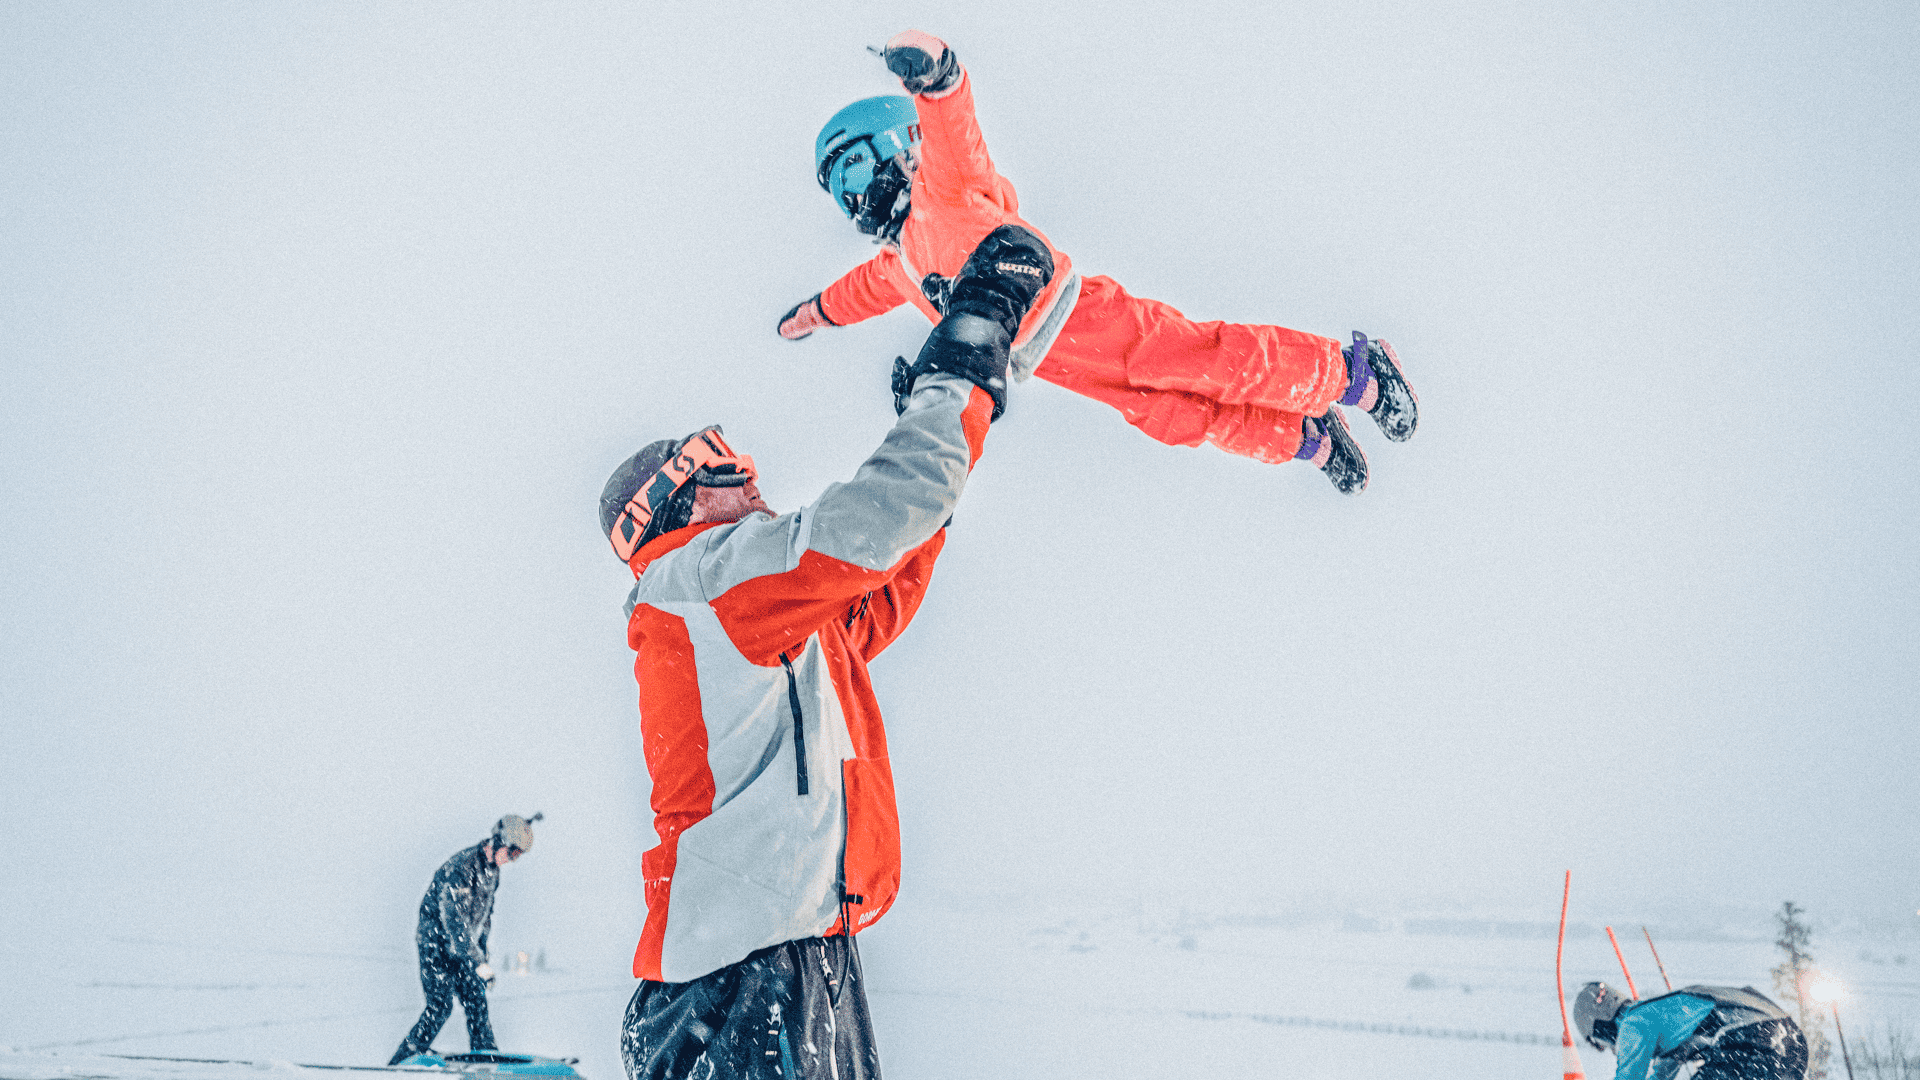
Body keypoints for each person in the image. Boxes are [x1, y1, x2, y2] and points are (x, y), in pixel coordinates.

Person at [602, 227, 1053, 1079]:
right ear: (673, 509)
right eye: (719, 462)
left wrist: (954, 422)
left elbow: (880, 574)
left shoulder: (757, 617)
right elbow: (876, 518)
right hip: (745, 968)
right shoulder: (698, 577)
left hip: (779, 953)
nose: (750, 471)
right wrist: (965, 354)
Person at [777, 29, 1419, 495]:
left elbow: (956, 132)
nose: (852, 197)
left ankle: (1352, 373)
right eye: (838, 190)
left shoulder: (942, 188)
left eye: (854, 169)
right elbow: (855, 294)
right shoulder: (894, 264)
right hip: (1049, 361)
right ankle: (1307, 436)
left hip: (1079, 312)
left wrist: (938, 79)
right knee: (1172, 418)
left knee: (1203, 358)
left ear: (898, 144)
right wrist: (813, 315)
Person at [388, 813, 541, 1065]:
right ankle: (400, 1064)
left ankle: (487, 1061)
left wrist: (483, 957)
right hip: (435, 944)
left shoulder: (492, 872)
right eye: (513, 854)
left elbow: (484, 918)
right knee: (440, 1007)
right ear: (500, 841)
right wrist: (477, 962)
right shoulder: (462, 867)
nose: (513, 861)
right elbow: (454, 922)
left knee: (477, 1001)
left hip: (462, 949)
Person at [1573, 981, 1810, 1080]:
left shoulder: (1633, 1024)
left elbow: (1629, 1077)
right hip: (1788, 1041)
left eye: (1601, 1044)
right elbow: (1664, 1071)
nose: (1613, 1051)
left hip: (1752, 1041)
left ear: (1601, 1026)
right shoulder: (1659, 1012)